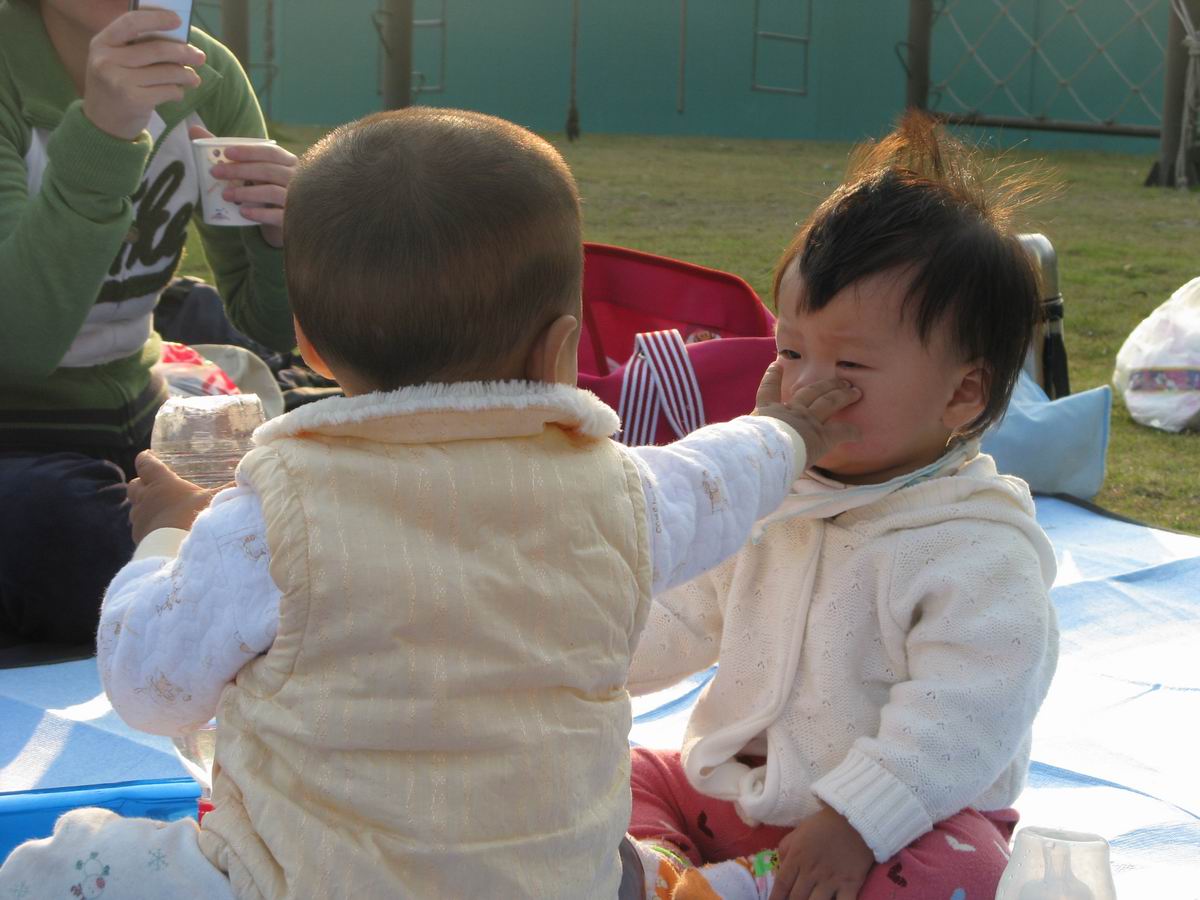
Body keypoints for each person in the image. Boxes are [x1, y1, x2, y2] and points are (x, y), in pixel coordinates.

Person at [0, 108, 863, 899]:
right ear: (562, 349)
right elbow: (719, 477)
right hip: (555, 886)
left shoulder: (271, 518)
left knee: (70, 864)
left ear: (309, 346)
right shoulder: (622, 490)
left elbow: (151, 687)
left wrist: (165, 537)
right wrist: (789, 429)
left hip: (306, 882)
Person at [625, 113, 1060, 900]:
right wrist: (575, 657)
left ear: (963, 392)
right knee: (609, 771)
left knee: (962, 869)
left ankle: (732, 886)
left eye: (850, 365)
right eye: (792, 350)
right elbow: (683, 611)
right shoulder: (774, 495)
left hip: (892, 825)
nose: (806, 386)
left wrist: (859, 819)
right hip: (740, 797)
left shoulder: (977, 546)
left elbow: (966, 713)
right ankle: (682, 872)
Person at [0, 0, 297, 646]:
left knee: (303, 490)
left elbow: (272, 326)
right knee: (61, 527)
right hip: (17, 434)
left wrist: (288, 240)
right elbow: (17, 345)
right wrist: (103, 136)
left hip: (143, 407)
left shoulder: (206, 73)